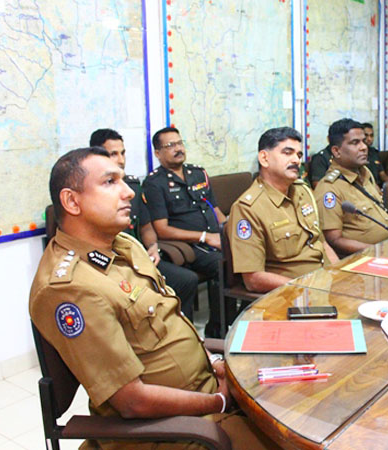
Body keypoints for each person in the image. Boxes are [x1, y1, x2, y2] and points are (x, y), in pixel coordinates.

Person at [30, 147, 275, 450]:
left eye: (123, 180)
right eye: (110, 182)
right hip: (165, 431)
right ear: (71, 201)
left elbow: (170, 321)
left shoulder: (123, 244)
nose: (129, 192)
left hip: (204, 391)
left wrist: (214, 363)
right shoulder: (70, 287)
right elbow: (132, 402)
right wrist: (220, 401)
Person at [89, 129, 198, 320]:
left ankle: (179, 329)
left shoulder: (132, 187)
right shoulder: (91, 193)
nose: (121, 160)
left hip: (140, 261)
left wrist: (153, 248)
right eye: (113, 154)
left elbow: (146, 226)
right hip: (113, 266)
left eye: (123, 153)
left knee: (187, 280)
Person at [227, 127, 338, 293]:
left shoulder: (303, 191)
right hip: (293, 294)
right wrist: (308, 287)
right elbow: (253, 279)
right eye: (287, 153)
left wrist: (339, 274)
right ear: (264, 158)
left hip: (326, 283)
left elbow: (321, 242)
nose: (296, 160)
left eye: (299, 155)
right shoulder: (248, 208)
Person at [142, 127, 226, 338]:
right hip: (189, 245)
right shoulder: (154, 183)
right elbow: (162, 229)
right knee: (223, 265)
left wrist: (229, 230)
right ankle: (218, 329)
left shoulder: (198, 173)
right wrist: (205, 237)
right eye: (170, 145)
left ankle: (235, 317)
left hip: (215, 237)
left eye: (180, 143)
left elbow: (216, 211)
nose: (178, 148)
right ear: (158, 153)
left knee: (248, 252)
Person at [314, 118, 388, 256]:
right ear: (336, 151)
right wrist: (377, 251)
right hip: (364, 258)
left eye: (363, 141)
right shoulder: (329, 189)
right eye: (355, 143)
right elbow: (333, 240)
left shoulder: (365, 173)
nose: (364, 147)